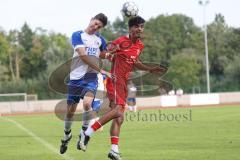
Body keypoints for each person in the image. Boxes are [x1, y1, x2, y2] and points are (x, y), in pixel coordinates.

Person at [79, 16, 166, 160]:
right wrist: (110, 54)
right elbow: (100, 53)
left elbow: (135, 62)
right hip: (114, 80)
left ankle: (114, 150)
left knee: (119, 118)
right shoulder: (120, 41)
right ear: (130, 28)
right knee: (118, 110)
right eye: (137, 26)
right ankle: (88, 132)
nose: (140, 29)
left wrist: (150, 69)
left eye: (142, 27)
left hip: (124, 83)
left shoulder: (140, 46)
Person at [59, 13, 112, 154]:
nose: (95, 27)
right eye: (95, 23)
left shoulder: (100, 40)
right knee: (70, 112)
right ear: (91, 20)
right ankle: (66, 135)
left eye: (99, 26)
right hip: (76, 79)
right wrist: (102, 70)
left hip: (90, 78)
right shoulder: (77, 35)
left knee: (88, 104)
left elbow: (103, 53)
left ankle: (83, 134)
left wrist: (110, 54)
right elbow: (83, 56)